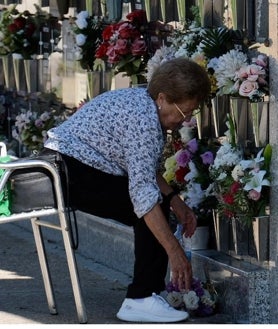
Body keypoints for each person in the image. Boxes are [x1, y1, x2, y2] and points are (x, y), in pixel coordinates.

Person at [44, 57, 211, 323]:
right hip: (71, 173)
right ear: (163, 98)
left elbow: (143, 169)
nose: (185, 121)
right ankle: (141, 298)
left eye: (192, 114)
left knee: (158, 204)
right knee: (149, 207)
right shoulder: (144, 119)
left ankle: (146, 295)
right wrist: (175, 252)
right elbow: (143, 195)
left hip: (66, 168)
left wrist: (175, 200)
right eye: (183, 113)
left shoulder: (141, 103)